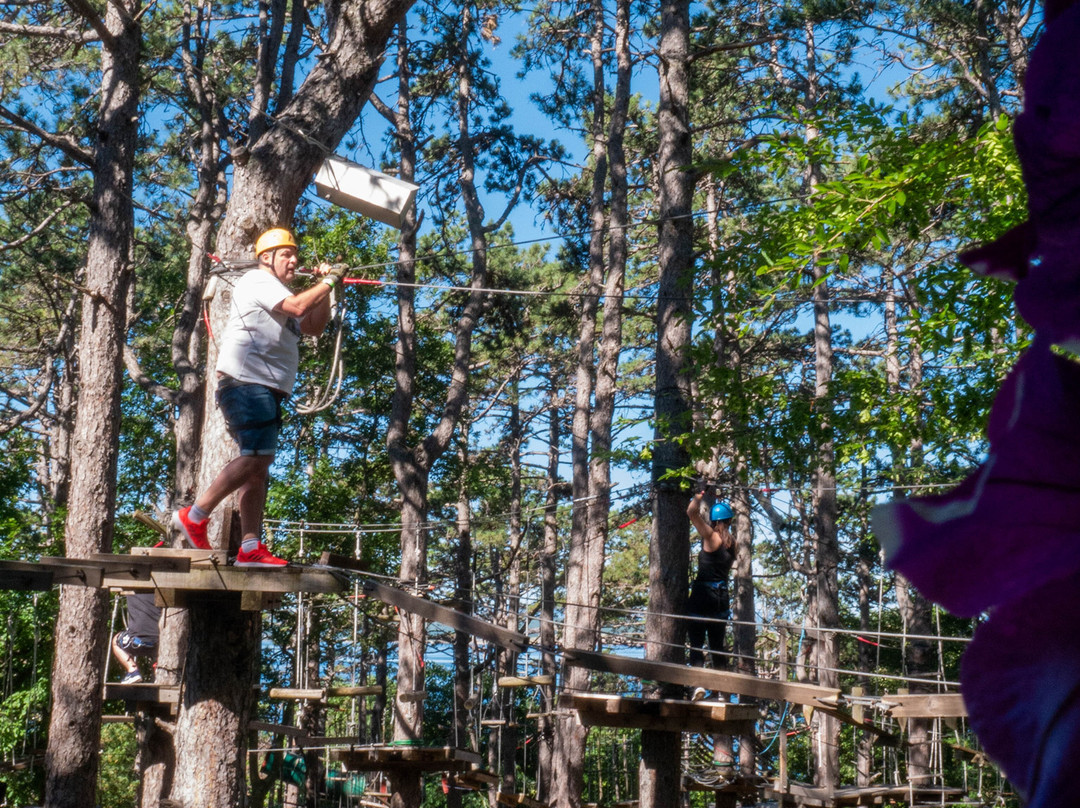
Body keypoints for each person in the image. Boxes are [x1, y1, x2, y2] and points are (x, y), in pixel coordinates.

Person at [172, 227, 346, 567]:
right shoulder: (257, 280)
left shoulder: (280, 291)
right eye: (286, 254)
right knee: (256, 458)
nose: (294, 260)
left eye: (295, 255)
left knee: (258, 468)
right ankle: (195, 515)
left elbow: (313, 326)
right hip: (246, 382)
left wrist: (329, 287)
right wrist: (328, 282)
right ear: (266, 258)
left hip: (263, 387)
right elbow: (297, 308)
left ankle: (250, 546)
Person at [684, 490, 736, 701]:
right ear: (729, 521)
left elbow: (691, 513)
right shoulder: (733, 544)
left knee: (696, 641)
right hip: (721, 597)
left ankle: (698, 685)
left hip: (702, 594)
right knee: (717, 644)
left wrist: (698, 495)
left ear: (714, 521)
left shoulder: (710, 536)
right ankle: (721, 691)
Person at [112, 592, 161, 684]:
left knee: (115, 641)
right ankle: (159, 670)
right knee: (156, 651)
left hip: (137, 642)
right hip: (159, 642)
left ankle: (133, 671)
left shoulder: (130, 590)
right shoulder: (159, 595)